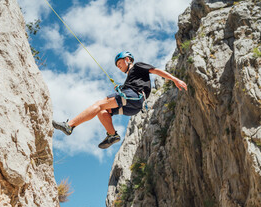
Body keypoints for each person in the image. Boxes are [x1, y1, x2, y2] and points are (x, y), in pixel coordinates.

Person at [52, 51, 187, 149]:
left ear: (128, 59)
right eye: (117, 65)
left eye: (120, 62)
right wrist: (121, 87)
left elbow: (156, 71)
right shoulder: (130, 77)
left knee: (99, 104)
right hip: (133, 105)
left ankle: (69, 126)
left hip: (133, 95)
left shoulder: (138, 66)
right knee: (102, 111)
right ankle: (112, 135)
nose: (118, 66)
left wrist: (175, 79)